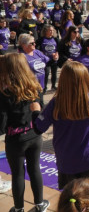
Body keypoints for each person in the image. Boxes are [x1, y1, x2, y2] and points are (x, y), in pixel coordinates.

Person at [31, 61, 89, 190]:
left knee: (71, 197)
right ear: (85, 79)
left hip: (66, 160)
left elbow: (39, 128)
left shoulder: (56, 103)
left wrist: (36, 112)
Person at [0, 54, 50, 212]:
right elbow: (40, 107)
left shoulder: (4, 92)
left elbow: (1, 123)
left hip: (15, 139)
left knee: (17, 174)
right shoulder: (34, 85)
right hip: (35, 135)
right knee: (35, 168)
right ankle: (40, 204)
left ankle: (19, 208)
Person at [36, 25, 59, 93]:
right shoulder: (41, 39)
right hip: (45, 60)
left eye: (52, 30)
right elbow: (36, 48)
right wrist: (41, 53)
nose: (51, 32)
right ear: (46, 31)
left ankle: (53, 86)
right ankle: (44, 87)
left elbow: (59, 48)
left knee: (54, 73)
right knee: (46, 73)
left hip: (54, 59)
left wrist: (56, 54)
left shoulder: (55, 39)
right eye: (50, 30)